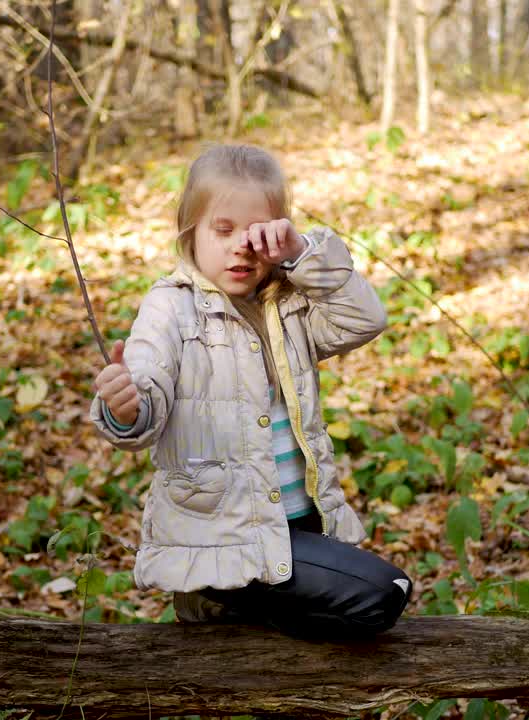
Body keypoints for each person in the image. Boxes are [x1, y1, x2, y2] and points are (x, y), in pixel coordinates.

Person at [90, 144, 411, 641]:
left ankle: (245, 621)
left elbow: (366, 319)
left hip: (297, 525)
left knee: (386, 594)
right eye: (222, 230)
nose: (240, 246)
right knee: (382, 593)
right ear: (189, 233)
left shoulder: (289, 305)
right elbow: (144, 396)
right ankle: (221, 593)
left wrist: (300, 254)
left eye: (257, 233)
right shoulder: (171, 308)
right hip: (226, 535)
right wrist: (127, 406)